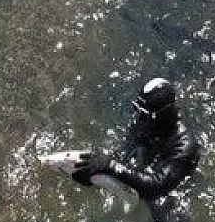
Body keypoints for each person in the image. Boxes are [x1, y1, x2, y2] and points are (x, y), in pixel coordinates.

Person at [71, 77, 201, 201]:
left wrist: (111, 166)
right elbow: (123, 154)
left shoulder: (185, 147)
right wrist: (96, 171)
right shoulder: (145, 123)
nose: (140, 121)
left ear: (162, 116)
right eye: (138, 112)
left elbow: (157, 187)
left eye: (144, 116)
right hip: (152, 164)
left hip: (173, 190)